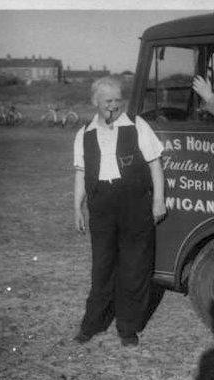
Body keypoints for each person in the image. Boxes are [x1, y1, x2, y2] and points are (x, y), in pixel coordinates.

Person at [73, 76, 166, 347]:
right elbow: (80, 172)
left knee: (134, 266)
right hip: (101, 203)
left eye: (117, 101)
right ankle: (93, 324)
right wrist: (77, 207)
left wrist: (158, 200)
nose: (113, 107)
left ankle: (128, 327)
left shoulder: (137, 125)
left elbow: (155, 164)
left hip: (134, 203)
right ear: (95, 102)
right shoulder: (84, 132)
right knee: (102, 266)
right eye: (107, 101)